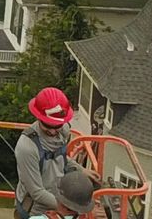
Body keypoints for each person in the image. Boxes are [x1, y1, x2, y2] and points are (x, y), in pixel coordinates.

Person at [15, 87, 93, 218]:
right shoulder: (27, 147)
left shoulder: (63, 131)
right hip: (34, 209)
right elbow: (36, 191)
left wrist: (80, 170)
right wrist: (68, 208)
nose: (52, 131)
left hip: (61, 202)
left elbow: (60, 158)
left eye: (56, 126)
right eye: (47, 125)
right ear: (38, 117)